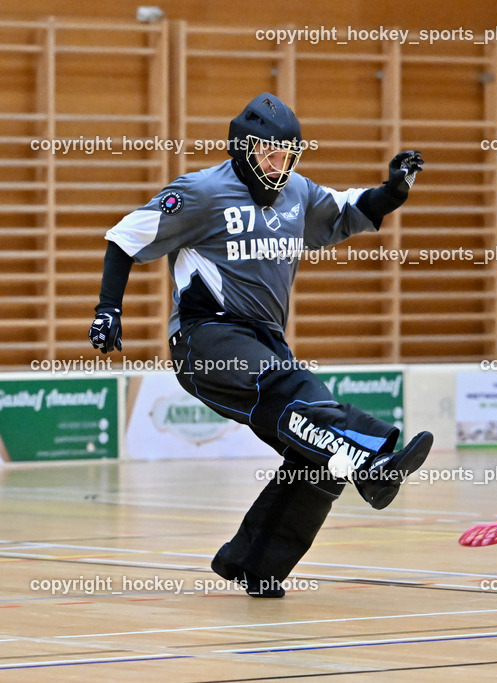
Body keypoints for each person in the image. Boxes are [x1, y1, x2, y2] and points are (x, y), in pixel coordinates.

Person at [88, 93, 434, 597]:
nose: (282, 165)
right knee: (290, 390)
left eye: (289, 155)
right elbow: (124, 237)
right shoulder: (201, 192)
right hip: (207, 337)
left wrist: (395, 189)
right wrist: (107, 309)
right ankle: (372, 457)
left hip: (267, 343)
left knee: (312, 443)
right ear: (242, 148)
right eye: (271, 154)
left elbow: (350, 209)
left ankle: (254, 565)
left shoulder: (297, 193)